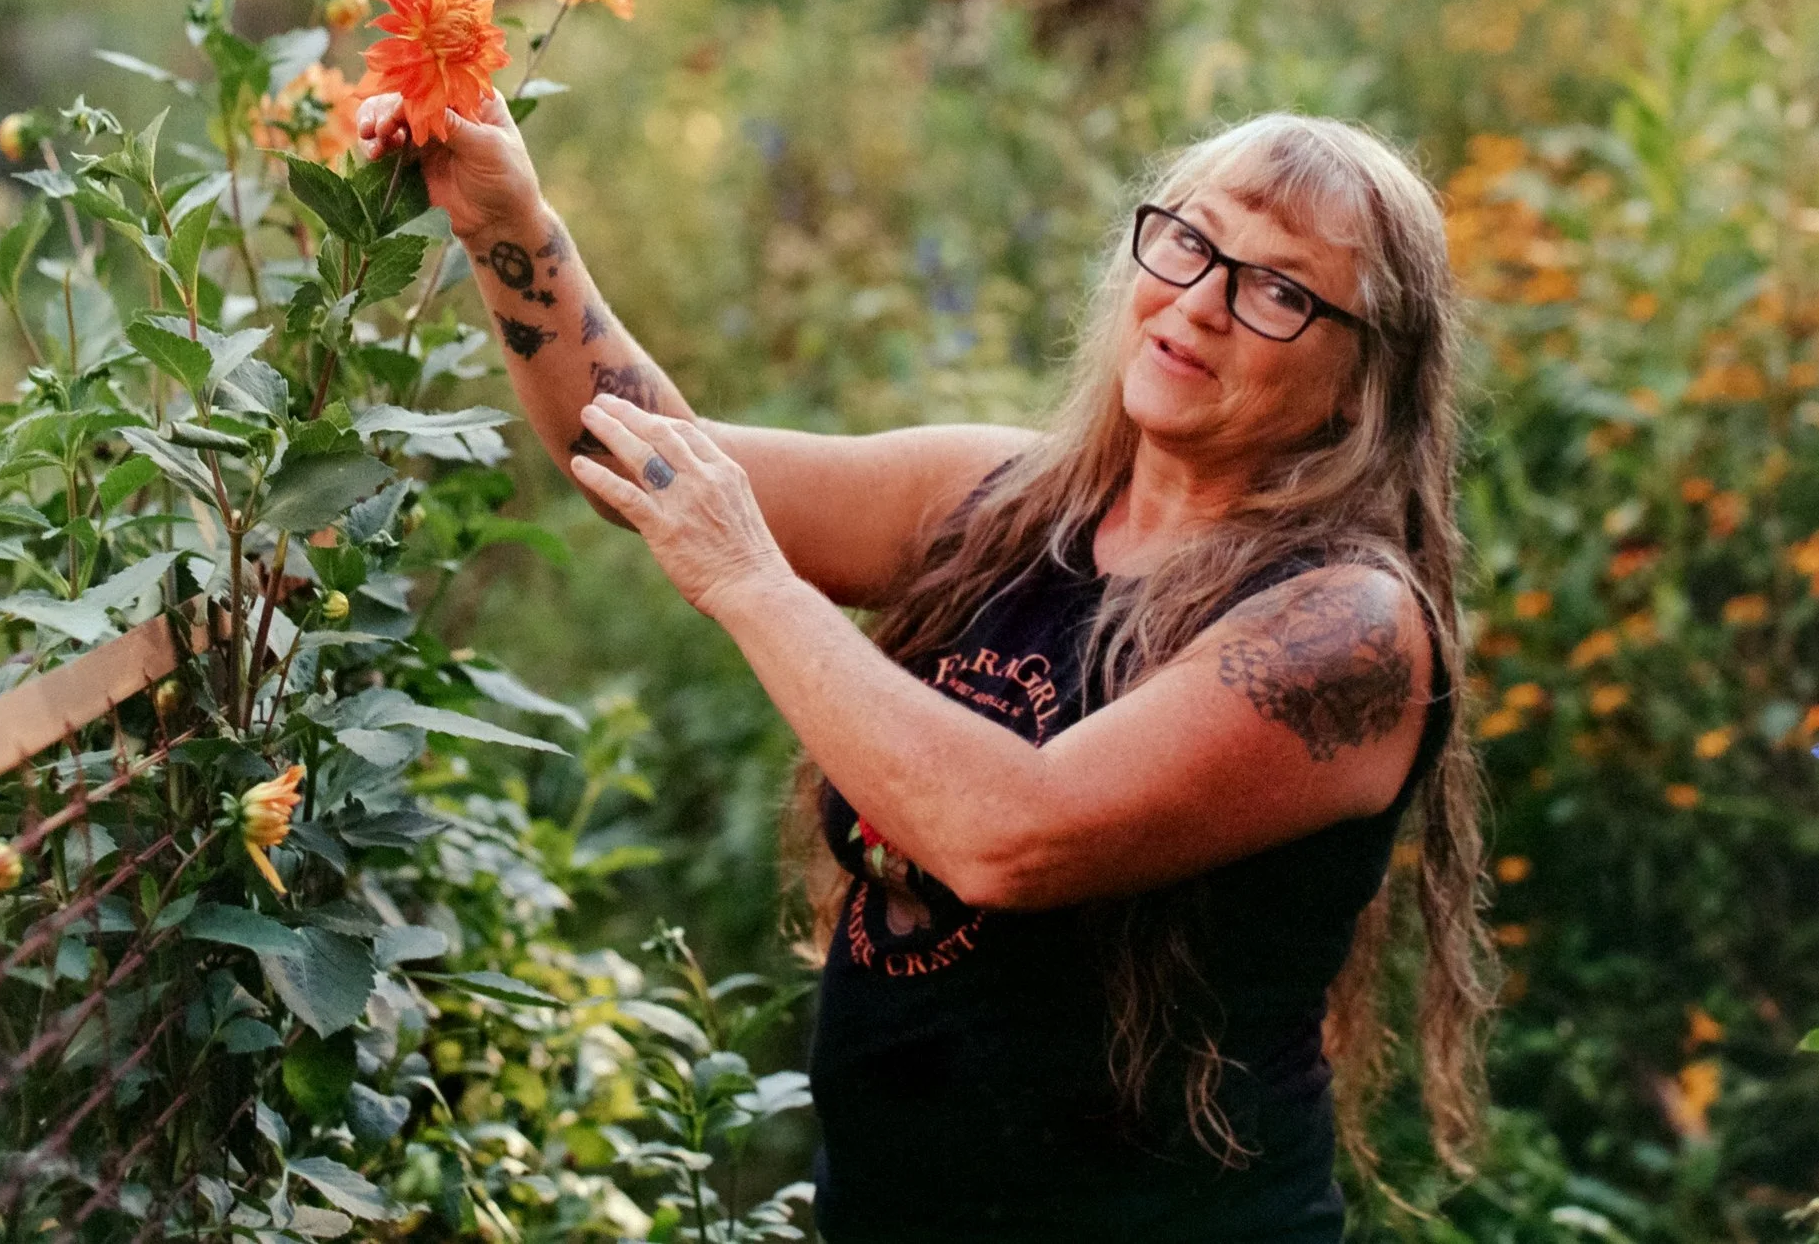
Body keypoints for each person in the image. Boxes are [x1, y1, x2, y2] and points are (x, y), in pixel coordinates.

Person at [359, 93, 1495, 1242]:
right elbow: (634, 453)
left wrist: (751, 579)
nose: (1198, 303)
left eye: (1278, 291)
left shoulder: (1345, 627)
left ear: (1366, 377)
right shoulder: (1002, 502)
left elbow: (1011, 832)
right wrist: (508, 218)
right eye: (1192, 241)